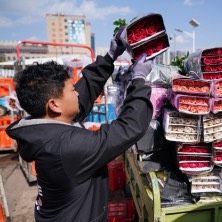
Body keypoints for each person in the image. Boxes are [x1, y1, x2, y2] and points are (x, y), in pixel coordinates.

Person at [6, 31, 153, 221]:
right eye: (71, 89)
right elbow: (129, 127)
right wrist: (139, 79)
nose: (76, 93)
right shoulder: (66, 148)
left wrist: (110, 57)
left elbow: (83, 94)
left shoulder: (44, 127)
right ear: (54, 105)